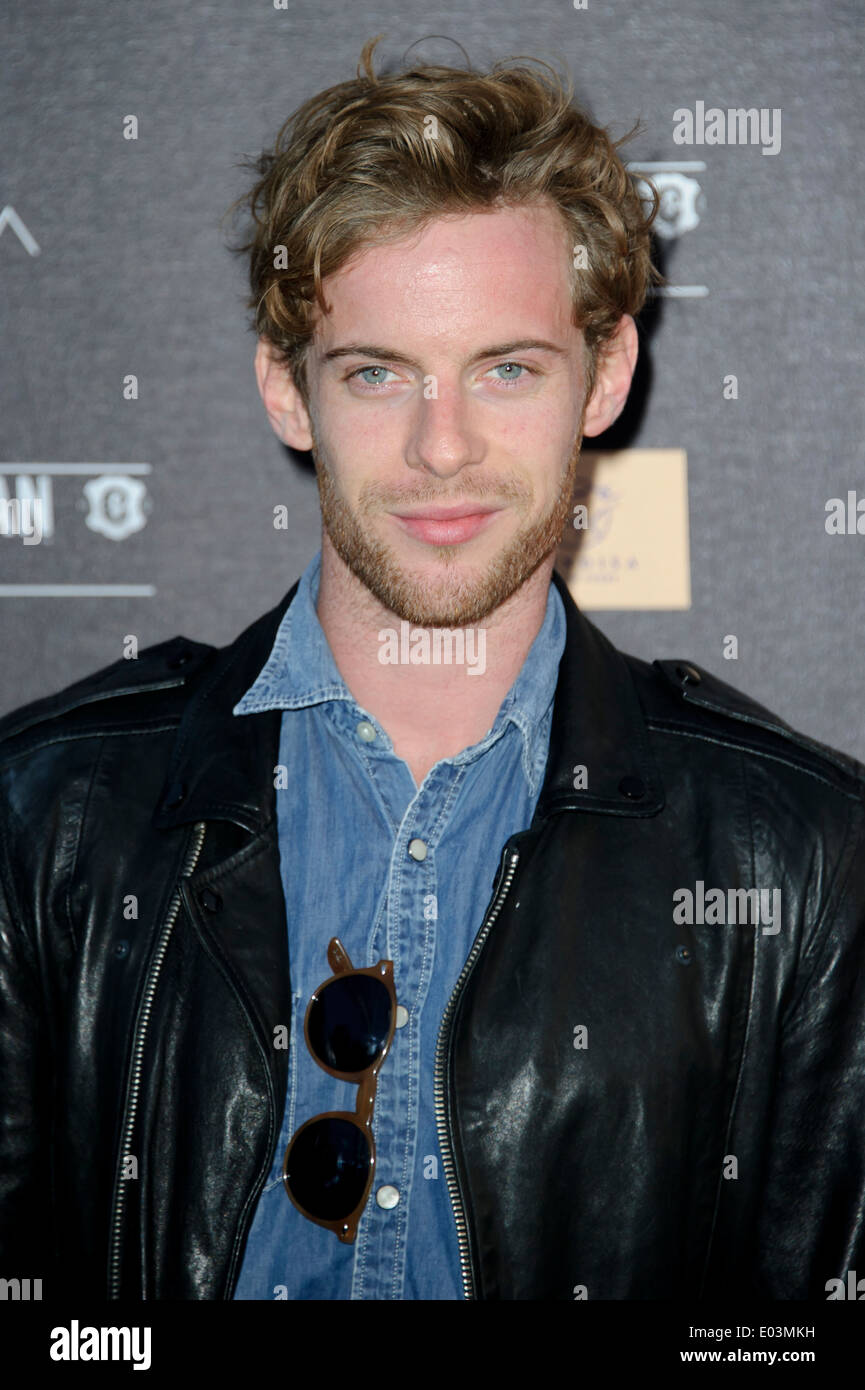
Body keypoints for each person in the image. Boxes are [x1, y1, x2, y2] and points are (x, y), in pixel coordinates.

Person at [1, 36, 864, 1303]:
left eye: (504, 369)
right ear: (288, 394)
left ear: (605, 374)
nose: (440, 446)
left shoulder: (801, 854)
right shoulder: (43, 815)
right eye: (377, 372)